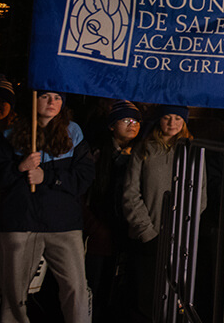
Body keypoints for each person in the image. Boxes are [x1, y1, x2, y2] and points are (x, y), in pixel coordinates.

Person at [0, 90, 95, 323]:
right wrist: (19, 169)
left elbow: (84, 176)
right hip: (21, 223)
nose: (52, 102)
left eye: (58, 97)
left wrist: (49, 177)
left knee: (76, 290)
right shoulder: (9, 134)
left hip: (64, 225)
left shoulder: (74, 132)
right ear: (33, 99)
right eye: (45, 96)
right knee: (14, 294)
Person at [122, 104, 205, 323]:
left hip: (180, 238)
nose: (172, 123)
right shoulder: (143, 149)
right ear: (159, 119)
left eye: (178, 118)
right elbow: (131, 193)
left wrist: (184, 227)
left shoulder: (193, 151)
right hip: (148, 237)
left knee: (177, 299)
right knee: (146, 300)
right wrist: (147, 232)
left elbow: (200, 196)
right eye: (167, 117)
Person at [83, 99, 142, 323]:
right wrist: (94, 226)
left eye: (136, 121)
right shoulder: (96, 153)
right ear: (111, 125)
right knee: (94, 286)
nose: (132, 125)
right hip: (98, 231)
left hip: (126, 232)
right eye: (126, 120)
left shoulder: (140, 153)